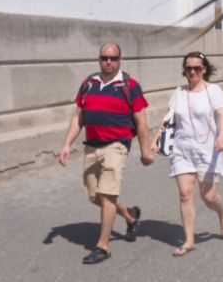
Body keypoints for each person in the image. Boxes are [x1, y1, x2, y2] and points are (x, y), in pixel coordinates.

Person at [57, 43, 154, 265]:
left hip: (117, 146)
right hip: (92, 145)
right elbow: (78, 118)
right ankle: (130, 215)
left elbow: (141, 121)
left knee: (108, 195)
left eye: (113, 58)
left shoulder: (130, 86)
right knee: (95, 197)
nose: (108, 62)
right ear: (99, 59)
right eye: (104, 58)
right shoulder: (88, 84)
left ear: (121, 59)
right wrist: (66, 144)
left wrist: (144, 151)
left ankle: (103, 247)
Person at [150, 51, 223, 257]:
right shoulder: (179, 92)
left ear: (204, 69)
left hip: (207, 150)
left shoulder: (213, 91)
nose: (193, 71)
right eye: (189, 68)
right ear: (184, 70)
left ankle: (222, 213)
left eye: (197, 67)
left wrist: (221, 136)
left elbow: (222, 114)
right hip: (182, 150)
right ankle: (188, 240)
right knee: (186, 194)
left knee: (209, 196)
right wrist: (155, 140)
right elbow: (168, 118)